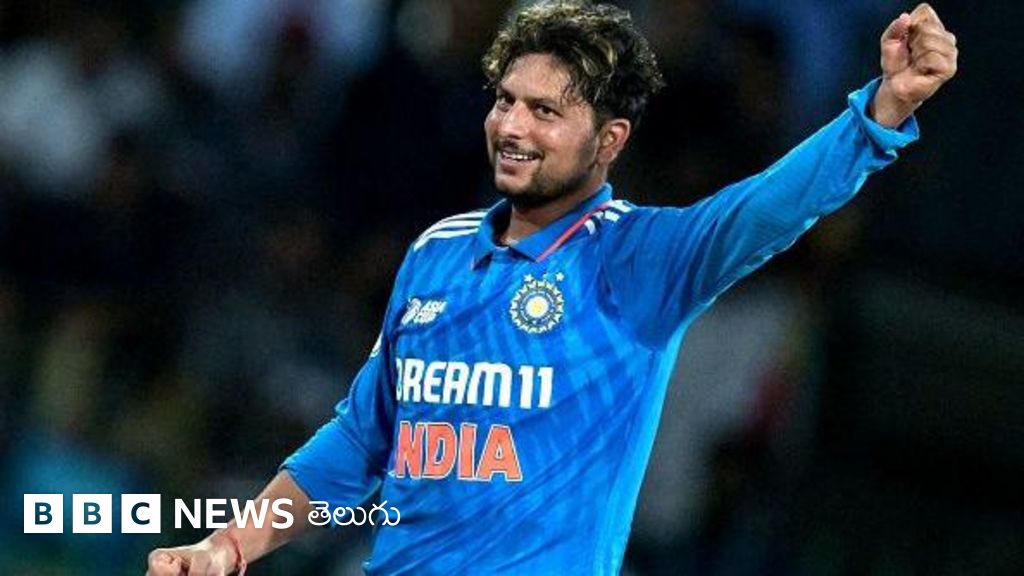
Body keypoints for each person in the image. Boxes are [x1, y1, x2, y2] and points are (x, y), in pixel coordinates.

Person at [147, 1, 957, 574]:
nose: (511, 127)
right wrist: (229, 546)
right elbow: (361, 441)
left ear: (609, 141)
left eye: (545, 111)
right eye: (505, 101)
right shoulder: (436, 252)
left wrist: (880, 110)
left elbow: (768, 207)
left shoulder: (639, 259)